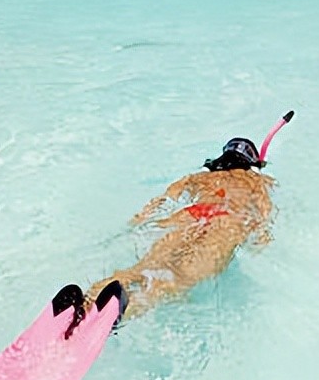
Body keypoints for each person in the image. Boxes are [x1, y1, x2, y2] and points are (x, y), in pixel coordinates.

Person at [86, 113, 292, 319]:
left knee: (144, 267)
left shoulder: (199, 177)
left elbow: (165, 198)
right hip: (227, 222)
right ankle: (118, 316)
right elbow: (264, 212)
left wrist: (139, 220)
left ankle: (87, 302)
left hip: (191, 215)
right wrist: (260, 238)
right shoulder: (258, 182)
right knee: (173, 280)